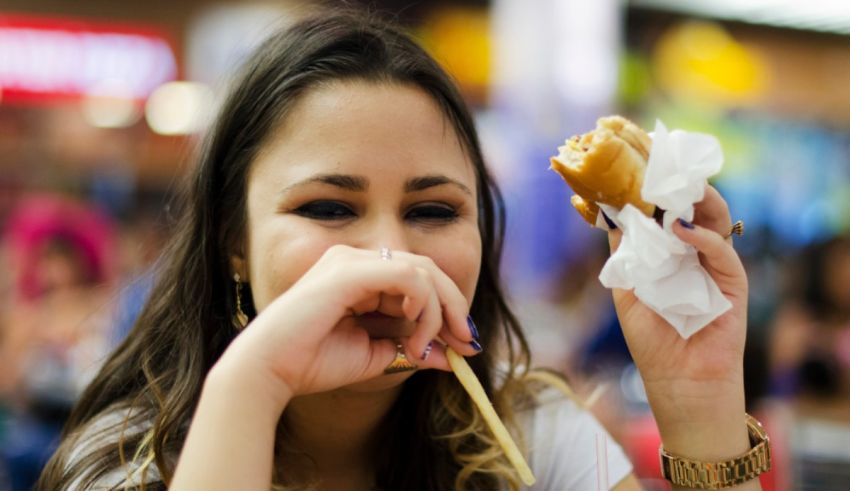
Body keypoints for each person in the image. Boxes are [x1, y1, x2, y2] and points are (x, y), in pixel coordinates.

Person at [36, 10, 763, 491]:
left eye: (433, 210)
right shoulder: (127, 461)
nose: (391, 259)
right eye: (328, 207)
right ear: (234, 238)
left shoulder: (535, 439)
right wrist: (249, 388)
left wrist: (700, 406)